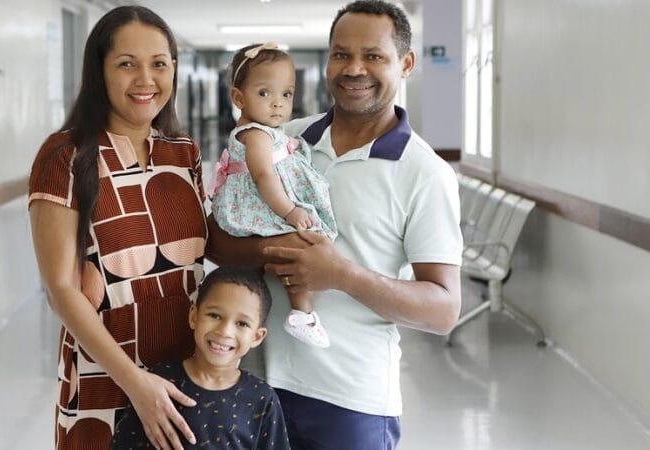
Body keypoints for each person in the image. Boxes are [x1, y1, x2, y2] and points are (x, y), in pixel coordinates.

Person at [206, 1, 463, 449]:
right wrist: (274, 249)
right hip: (250, 381)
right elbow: (215, 240)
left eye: (374, 56)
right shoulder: (284, 141)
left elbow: (443, 310)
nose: (354, 68)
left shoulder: (424, 172)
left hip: (348, 402)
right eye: (341, 54)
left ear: (406, 64)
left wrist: (341, 275)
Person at [29, 6, 209, 450]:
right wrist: (135, 383)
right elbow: (61, 290)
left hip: (184, 374)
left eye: (159, 64)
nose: (146, 79)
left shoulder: (182, 152)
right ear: (100, 71)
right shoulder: (65, 156)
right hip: (105, 382)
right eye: (127, 64)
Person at [208, 43, 338, 348]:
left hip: (259, 204)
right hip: (260, 206)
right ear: (239, 98)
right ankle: (302, 313)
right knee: (302, 247)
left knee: (261, 271)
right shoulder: (256, 133)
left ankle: (249, 309)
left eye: (286, 94)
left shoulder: (265, 130)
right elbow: (264, 175)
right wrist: (291, 211)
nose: (278, 103)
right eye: (265, 93)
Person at [111, 267, 290, 449]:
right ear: (193, 316)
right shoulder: (160, 383)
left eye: (242, 324)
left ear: (257, 337)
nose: (225, 331)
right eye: (215, 315)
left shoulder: (262, 398)